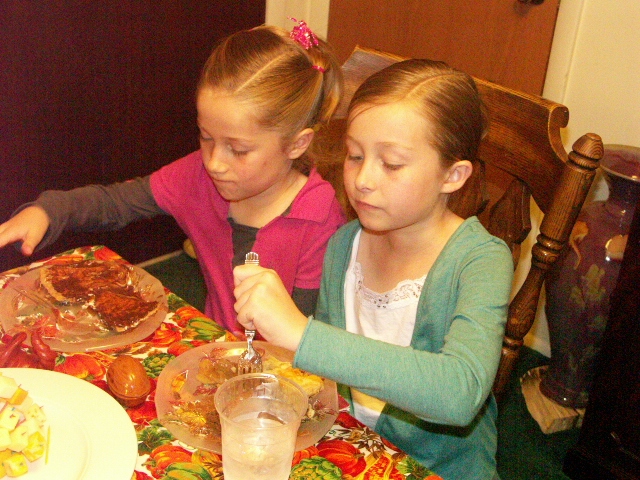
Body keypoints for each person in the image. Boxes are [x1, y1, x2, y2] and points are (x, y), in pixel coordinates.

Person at [233, 59, 514, 479]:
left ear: (452, 176)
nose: (362, 179)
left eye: (392, 164)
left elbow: (460, 393)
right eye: (355, 156)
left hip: (436, 468)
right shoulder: (344, 245)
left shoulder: (480, 260)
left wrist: (301, 334)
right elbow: (331, 377)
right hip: (353, 448)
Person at [0, 20, 346, 337]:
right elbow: (116, 202)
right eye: (206, 137)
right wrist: (49, 211)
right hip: (215, 349)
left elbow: (310, 338)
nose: (214, 163)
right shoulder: (197, 177)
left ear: (297, 144)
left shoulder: (320, 218)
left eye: (238, 149)